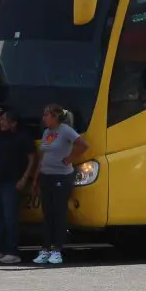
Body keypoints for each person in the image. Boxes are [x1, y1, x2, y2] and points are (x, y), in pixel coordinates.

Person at [33, 104, 90, 265]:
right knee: (47, 214)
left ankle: (57, 250)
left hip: (61, 177)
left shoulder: (65, 130)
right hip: (46, 176)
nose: (44, 118)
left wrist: (70, 158)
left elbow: (83, 145)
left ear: (55, 117)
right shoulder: (46, 132)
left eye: (46, 115)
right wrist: (37, 177)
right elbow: (43, 156)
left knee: (59, 213)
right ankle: (45, 250)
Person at [0, 108, 36, 264]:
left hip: (13, 181)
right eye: (1, 120)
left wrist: (24, 178)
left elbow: (32, 159)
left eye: (4, 120)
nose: (2, 122)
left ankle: (12, 251)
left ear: (14, 123)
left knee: (11, 218)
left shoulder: (23, 137)